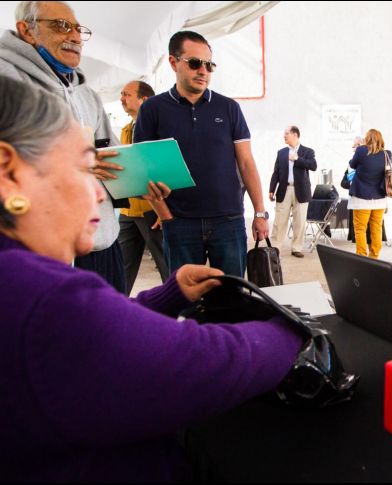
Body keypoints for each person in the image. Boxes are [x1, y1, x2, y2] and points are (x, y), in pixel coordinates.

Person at [0, 75, 304, 481]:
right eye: (85, 169)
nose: (98, 194)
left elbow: (91, 340)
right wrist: (293, 328)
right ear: (10, 172)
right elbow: (202, 363)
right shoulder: (36, 296)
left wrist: (166, 295)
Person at [0, 0, 146, 293]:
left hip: (101, 241)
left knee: (109, 329)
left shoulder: (86, 94)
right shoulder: (7, 82)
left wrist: (143, 181)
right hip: (37, 249)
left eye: (79, 30)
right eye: (61, 26)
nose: (76, 37)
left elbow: (111, 155)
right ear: (26, 30)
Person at [134, 30, 270, 277]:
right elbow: (142, 170)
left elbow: (247, 163)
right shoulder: (152, 110)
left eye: (209, 65)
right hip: (180, 223)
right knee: (186, 300)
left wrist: (260, 213)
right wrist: (166, 217)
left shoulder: (229, 108)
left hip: (228, 221)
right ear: (174, 63)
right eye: (195, 63)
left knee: (233, 299)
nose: (203, 71)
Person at [117, 80, 170, 294]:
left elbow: (167, 168)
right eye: (121, 94)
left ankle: (181, 313)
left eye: (127, 94)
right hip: (128, 209)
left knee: (167, 267)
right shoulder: (125, 129)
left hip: (152, 209)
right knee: (121, 268)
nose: (121, 98)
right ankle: (115, 313)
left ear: (145, 99)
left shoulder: (160, 128)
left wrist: (164, 208)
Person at [269, 125, 317, 258]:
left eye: (287, 133)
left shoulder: (308, 151)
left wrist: (297, 159)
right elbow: (276, 172)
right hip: (284, 190)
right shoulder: (281, 152)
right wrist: (271, 189)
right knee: (279, 220)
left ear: (295, 135)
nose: (284, 136)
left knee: (300, 221)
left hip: (301, 190)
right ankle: (275, 247)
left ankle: (297, 248)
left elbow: (313, 166)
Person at [348, 128, 391, 258]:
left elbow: (352, 164)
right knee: (376, 227)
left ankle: (361, 255)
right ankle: (374, 255)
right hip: (379, 198)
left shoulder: (361, 151)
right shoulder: (386, 154)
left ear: (367, 139)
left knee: (360, 228)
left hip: (361, 197)